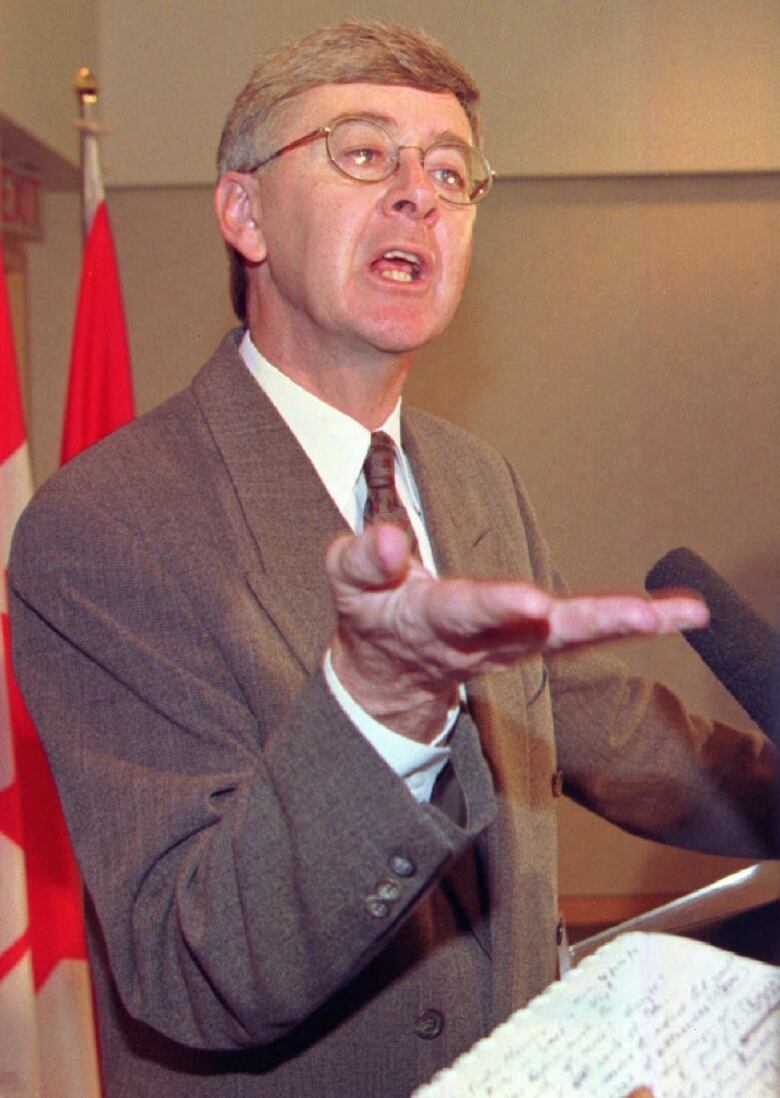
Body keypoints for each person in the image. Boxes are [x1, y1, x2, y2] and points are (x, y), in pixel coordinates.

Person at [8, 19, 775, 1098]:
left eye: (452, 170)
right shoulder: (104, 526)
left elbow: (596, 722)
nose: (420, 191)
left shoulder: (474, 481)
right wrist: (376, 710)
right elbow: (191, 965)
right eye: (364, 153)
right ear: (245, 212)